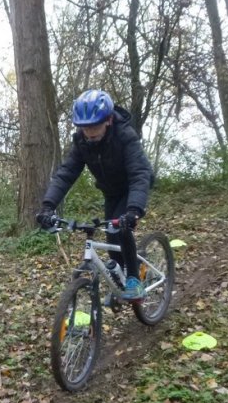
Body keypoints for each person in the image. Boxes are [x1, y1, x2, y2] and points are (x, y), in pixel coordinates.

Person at [36, 89, 154, 301]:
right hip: (110, 191)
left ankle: (134, 280)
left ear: (108, 120)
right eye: (84, 128)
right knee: (111, 236)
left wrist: (134, 210)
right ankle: (121, 277)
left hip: (132, 187)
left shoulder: (125, 136)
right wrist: (48, 205)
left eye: (94, 126)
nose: (89, 133)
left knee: (122, 229)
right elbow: (66, 174)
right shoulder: (82, 142)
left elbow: (139, 173)